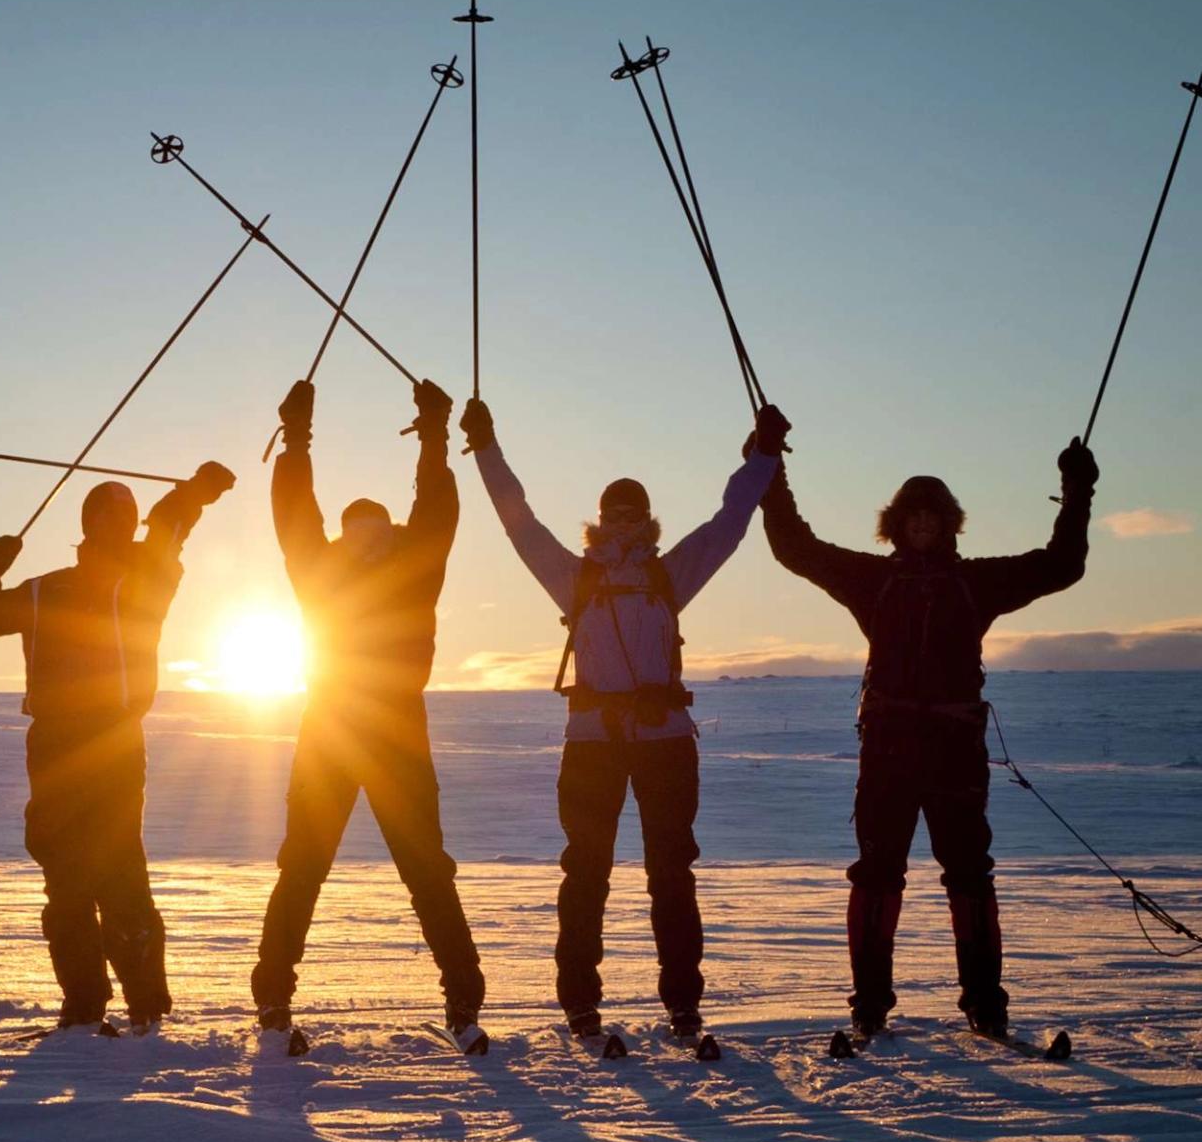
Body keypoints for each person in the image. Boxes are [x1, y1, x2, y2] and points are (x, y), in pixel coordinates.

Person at [464, 394, 789, 1056]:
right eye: (614, 511)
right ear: (600, 517)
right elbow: (517, 520)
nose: (622, 520)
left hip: (664, 741)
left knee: (671, 875)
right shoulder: (575, 578)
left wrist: (762, 456)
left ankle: (684, 1008)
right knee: (587, 873)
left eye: (632, 512)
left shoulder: (669, 575)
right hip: (594, 744)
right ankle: (581, 1003)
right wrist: (486, 446)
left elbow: (730, 522)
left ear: (646, 520)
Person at [762, 434, 1098, 1049]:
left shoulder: (977, 584)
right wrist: (770, 467)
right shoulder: (870, 581)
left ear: (949, 527)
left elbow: (1061, 565)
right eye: (912, 516)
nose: (922, 526)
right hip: (887, 752)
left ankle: (985, 1006)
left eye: (933, 517)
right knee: (875, 877)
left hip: (954, 756)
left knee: (970, 875)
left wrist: (1078, 491)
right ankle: (869, 1007)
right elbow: (794, 547)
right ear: (896, 525)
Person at [0, 460, 239, 1036]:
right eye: (110, 516)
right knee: (65, 876)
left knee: (119, 870)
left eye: (127, 517)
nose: (121, 526)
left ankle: (144, 1002)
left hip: (112, 739)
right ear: (89, 524)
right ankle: (84, 1003)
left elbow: (169, 526)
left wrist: (196, 492)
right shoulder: (45, 589)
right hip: (56, 743)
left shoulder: (145, 580)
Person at [251, 376, 487, 1058]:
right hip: (329, 728)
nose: (367, 544)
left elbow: (436, 508)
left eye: (377, 534)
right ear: (343, 539)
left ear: (392, 535)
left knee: (427, 870)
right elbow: (295, 515)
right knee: (303, 865)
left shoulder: (418, 566)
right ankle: (273, 997)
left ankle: (462, 995)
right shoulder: (319, 571)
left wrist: (436, 434)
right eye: (356, 535)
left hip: (395, 733)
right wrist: (296, 439)